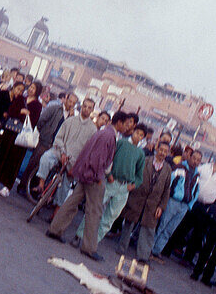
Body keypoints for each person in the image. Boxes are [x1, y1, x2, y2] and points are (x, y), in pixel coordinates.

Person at [46, 123, 120, 259]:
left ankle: (54, 229)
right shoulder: (109, 135)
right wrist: (98, 176)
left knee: (72, 202)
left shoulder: (103, 132)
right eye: (129, 123)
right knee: (94, 212)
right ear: (121, 122)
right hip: (94, 177)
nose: (129, 127)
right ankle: (89, 248)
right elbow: (98, 158)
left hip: (86, 173)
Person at [73, 112, 141, 253]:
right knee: (94, 211)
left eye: (141, 135)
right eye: (137, 133)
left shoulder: (141, 154)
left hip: (124, 189)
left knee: (109, 219)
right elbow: (108, 159)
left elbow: (139, 175)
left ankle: (92, 244)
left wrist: (133, 185)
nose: (138, 136)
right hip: (111, 182)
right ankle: (79, 236)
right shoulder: (120, 142)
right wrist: (108, 174)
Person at [116, 135, 172, 263]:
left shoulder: (168, 169)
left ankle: (143, 256)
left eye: (165, 151)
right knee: (129, 222)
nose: (162, 153)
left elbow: (166, 190)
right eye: (161, 150)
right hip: (137, 197)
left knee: (148, 229)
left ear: (168, 153)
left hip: (153, 204)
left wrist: (161, 206)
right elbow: (134, 174)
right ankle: (121, 247)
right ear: (157, 149)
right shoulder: (145, 160)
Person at [0, 80, 43, 197]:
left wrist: (22, 114)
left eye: (33, 88)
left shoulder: (37, 105)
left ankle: (7, 186)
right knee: (1, 155)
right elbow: (10, 111)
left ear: (38, 92)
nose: (30, 90)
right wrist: (21, 112)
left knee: (13, 161)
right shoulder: (21, 98)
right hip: (9, 132)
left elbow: (33, 121)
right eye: (30, 87)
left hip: (20, 137)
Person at [32, 96, 96, 202]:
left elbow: (88, 151)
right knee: (46, 157)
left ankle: (55, 208)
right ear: (81, 107)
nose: (86, 109)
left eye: (89, 108)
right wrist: (62, 152)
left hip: (74, 161)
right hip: (60, 152)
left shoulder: (93, 130)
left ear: (92, 110)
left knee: (65, 185)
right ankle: (41, 185)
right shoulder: (70, 121)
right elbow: (59, 137)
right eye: (84, 106)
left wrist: (78, 164)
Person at [18, 91, 74, 198]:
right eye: (70, 101)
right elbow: (41, 120)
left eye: (73, 103)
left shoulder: (71, 117)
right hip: (45, 141)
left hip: (56, 146)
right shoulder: (55, 108)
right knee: (34, 163)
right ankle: (22, 186)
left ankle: (33, 189)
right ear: (66, 99)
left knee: (44, 167)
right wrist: (44, 133)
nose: (71, 104)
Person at [152, 148, 202, 261]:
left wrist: (190, 205)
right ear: (189, 157)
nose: (195, 161)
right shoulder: (179, 167)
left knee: (170, 230)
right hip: (173, 202)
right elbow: (168, 182)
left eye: (198, 160)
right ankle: (149, 248)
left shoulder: (197, 174)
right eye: (194, 158)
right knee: (161, 226)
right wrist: (165, 199)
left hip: (184, 206)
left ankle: (156, 251)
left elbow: (196, 191)